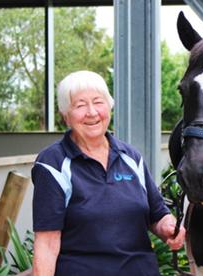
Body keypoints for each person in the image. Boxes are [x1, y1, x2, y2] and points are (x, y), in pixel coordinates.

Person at [31, 70, 185, 275]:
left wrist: (168, 227)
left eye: (98, 102)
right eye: (80, 105)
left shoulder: (130, 157)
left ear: (109, 107)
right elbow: (47, 243)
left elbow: (157, 214)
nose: (92, 112)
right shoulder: (53, 164)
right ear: (65, 116)